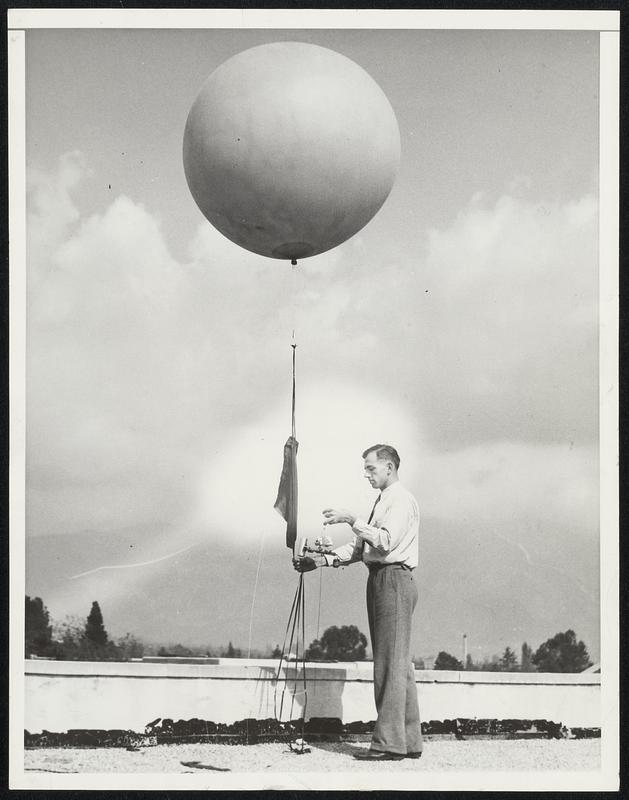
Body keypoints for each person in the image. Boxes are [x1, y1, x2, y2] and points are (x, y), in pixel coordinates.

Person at [293, 444, 422, 761]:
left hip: (392, 579)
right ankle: (408, 741)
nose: (366, 474)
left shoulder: (401, 500)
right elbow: (358, 547)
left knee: (390, 664)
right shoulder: (383, 502)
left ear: (389, 467)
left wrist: (352, 519)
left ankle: (390, 744)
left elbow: (385, 540)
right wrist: (320, 561)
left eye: (371, 468)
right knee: (398, 664)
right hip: (382, 579)